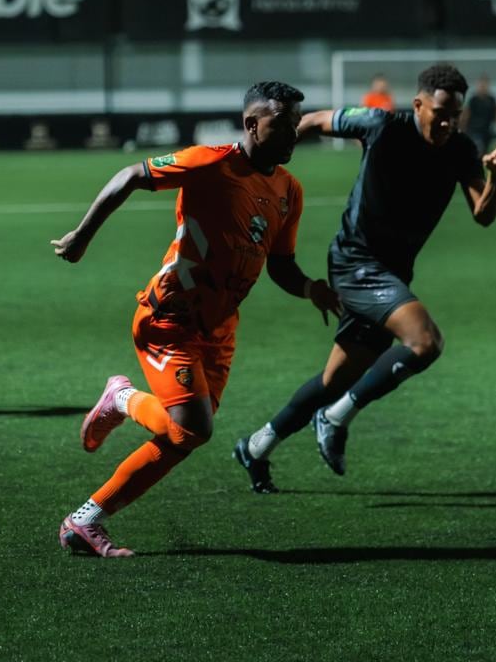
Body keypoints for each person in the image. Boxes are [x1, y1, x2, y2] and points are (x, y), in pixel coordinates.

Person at [53, 81, 341, 557]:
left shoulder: (289, 191)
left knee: (183, 435)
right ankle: (93, 495)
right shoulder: (211, 163)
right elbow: (131, 175)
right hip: (169, 318)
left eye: (297, 125)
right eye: (284, 124)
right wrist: (82, 236)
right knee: (192, 429)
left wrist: (311, 287)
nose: (295, 134)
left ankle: (113, 425)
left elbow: (281, 264)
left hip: (219, 329)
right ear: (253, 124)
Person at [233, 64, 496, 493]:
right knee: (424, 341)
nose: (446, 122)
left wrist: (495, 178)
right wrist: (260, 162)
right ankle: (335, 417)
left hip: (392, 273)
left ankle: (256, 446)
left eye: (454, 115)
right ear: (417, 104)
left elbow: (484, 215)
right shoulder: (380, 124)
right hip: (354, 263)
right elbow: (311, 120)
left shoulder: (460, 148)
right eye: (439, 112)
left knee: (334, 380)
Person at [458, 73, 496, 154]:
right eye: (481, 85)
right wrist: (462, 128)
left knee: (484, 153)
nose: (483, 87)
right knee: (478, 150)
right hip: (474, 131)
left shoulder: (492, 99)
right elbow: (466, 115)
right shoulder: (473, 100)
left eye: (485, 84)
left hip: (487, 132)